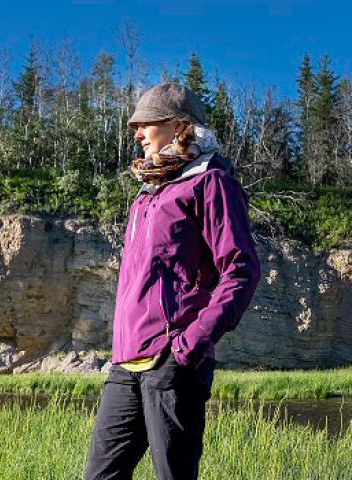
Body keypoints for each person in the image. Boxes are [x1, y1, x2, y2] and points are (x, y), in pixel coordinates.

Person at [84, 82, 261, 480]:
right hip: (126, 362)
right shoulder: (147, 194)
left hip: (173, 360)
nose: (136, 132)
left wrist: (190, 343)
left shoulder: (210, 181)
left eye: (146, 122)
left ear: (178, 126)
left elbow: (241, 268)